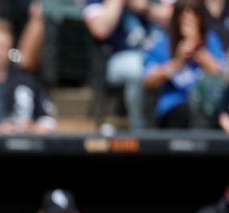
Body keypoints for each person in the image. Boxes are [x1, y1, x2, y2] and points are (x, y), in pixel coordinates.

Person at [83, 0, 173, 130]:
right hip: (118, 59)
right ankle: (141, 131)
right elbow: (100, 29)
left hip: (160, 56)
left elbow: (178, 20)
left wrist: (145, 8)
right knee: (140, 69)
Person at [143, 0, 225, 129]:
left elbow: (220, 74)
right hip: (174, 107)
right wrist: (177, 62)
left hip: (206, 105)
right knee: (185, 112)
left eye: (194, 16)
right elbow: (148, 80)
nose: (188, 21)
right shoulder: (162, 42)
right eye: (183, 16)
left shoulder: (211, 40)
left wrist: (197, 49)